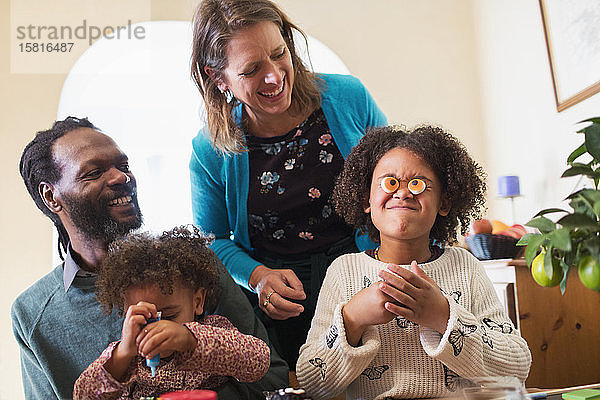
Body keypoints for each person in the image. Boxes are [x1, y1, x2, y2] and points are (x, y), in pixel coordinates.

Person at [12, 117, 288, 400]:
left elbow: (270, 377)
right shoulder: (32, 314)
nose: (122, 177)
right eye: (94, 172)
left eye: (124, 166)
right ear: (51, 196)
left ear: (198, 300)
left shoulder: (190, 265)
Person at [189, 0, 387, 369]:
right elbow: (211, 241)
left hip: (364, 272)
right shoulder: (209, 150)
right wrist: (258, 278)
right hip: (280, 302)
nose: (275, 77)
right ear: (218, 77)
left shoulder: (348, 97)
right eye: (251, 69)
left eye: (280, 54)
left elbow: (397, 176)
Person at [296, 126, 532, 399]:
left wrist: (443, 316)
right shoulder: (343, 271)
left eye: (417, 184)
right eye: (390, 182)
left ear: (443, 202)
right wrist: (352, 318)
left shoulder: (465, 266)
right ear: (366, 199)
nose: (403, 193)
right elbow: (312, 383)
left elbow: (517, 366)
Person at [74, 225, 270, 398]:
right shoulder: (125, 355)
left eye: (168, 316)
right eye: (143, 319)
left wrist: (189, 339)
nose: (156, 327)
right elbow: (83, 395)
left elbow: (259, 361)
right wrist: (123, 354)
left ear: (198, 301)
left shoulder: (213, 330)